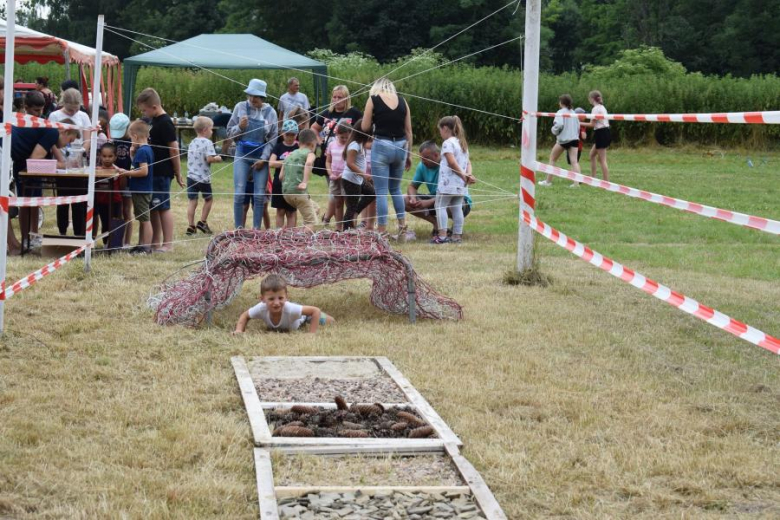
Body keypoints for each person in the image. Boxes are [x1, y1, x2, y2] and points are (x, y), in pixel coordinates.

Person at [10, 123, 79, 252]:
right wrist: (62, 165)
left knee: (29, 200)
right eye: (69, 141)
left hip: (18, 159)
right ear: (65, 131)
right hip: (10, 150)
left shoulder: (49, 136)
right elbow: (35, 159)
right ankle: (24, 240)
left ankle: (27, 239)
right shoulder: (52, 132)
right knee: (25, 201)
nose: (67, 145)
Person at [360, 77, 412, 239]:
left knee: (381, 191)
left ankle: (382, 230)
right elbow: (409, 131)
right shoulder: (403, 101)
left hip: (382, 144)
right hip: (401, 146)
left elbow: (365, 127)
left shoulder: (373, 99)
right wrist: (408, 154)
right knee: (395, 189)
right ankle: (402, 227)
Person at [227, 78, 278, 229]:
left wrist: (264, 159)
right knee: (239, 193)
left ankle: (256, 230)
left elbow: (272, 139)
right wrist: (240, 127)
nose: (252, 99)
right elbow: (230, 133)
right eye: (249, 95)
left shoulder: (270, 112)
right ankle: (238, 229)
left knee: (259, 195)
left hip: (260, 158)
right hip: (242, 155)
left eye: (255, 96)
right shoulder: (240, 107)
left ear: (262, 97)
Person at [136, 87, 182, 252]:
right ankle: (155, 242)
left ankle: (168, 243)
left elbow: (174, 149)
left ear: (154, 107)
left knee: (163, 207)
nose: (143, 113)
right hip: (153, 171)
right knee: (153, 207)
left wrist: (178, 172)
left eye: (144, 110)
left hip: (163, 172)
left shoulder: (165, 122)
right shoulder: (154, 121)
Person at [49, 88, 93, 236]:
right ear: (63, 104)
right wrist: (61, 160)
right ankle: (62, 231)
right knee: (62, 200)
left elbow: (87, 138)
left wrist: (80, 154)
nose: (73, 112)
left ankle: (79, 233)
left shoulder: (84, 116)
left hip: (79, 162)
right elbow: (51, 141)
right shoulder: (54, 116)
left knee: (80, 202)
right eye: (70, 110)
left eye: (76, 109)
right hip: (61, 162)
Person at [405, 141, 472, 237]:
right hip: (436, 198)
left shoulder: (448, 163)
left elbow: (467, 161)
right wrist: (413, 198)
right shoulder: (422, 166)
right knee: (403, 199)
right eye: (421, 158)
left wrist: (469, 174)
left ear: (436, 155)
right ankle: (436, 224)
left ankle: (456, 232)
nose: (423, 161)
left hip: (457, 199)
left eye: (425, 158)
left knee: (452, 204)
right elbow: (412, 186)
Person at [233, 274, 334, 334]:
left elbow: (315, 311)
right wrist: (239, 330)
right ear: (262, 299)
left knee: (330, 321)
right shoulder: (261, 308)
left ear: (286, 297)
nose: (276, 303)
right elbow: (245, 315)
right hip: (291, 310)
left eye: (280, 298)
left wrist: (312, 334)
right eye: (271, 299)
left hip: (304, 317)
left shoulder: (291, 309)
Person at [431, 116, 475, 244]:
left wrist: (463, 176)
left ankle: (442, 236)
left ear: (445, 128)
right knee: (456, 207)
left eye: (440, 130)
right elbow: (468, 163)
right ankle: (457, 236)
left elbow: (451, 162)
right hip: (461, 185)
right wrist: (468, 175)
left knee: (440, 206)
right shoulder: (462, 143)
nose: (440, 133)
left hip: (447, 183)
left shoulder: (447, 143)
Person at [114, 119, 154, 255]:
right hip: (142, 189)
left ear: (135, 136)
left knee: (145, 220)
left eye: (131, 138)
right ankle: (141, 244)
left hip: (142, 189)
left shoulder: (143, 151)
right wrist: (132, 155)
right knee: (142, 218)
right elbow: (138, 166)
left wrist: (125, 172)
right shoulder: (146, 149)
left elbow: (143, 171)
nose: (131, 140)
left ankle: (146, 247)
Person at [186, 117, 223, 236]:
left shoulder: (192, 142)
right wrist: (218, 158)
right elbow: (209, 158)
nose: (212, 132)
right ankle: (202, 222)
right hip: (203, 178)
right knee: (208, 199)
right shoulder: (207, 142)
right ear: (205, 130)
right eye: (211, 129)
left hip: (191, 177)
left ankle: (191, 226)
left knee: (192, 201)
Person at [538, 94, 581, 187]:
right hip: (574, 139)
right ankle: (576, 183)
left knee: (552, 159)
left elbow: (559, 125)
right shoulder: (574, 112)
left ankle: (548, 181)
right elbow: (578, 126)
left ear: (562, 103)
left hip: (563, 140)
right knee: (574, 161)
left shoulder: (560, 112)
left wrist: (553, 131)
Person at [280, 129, 318, 231]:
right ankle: (303, 242)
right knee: (312, 222)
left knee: (315, 208)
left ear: (299, 142)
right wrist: (304, 182)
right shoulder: (310, 153)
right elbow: (309, 163)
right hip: (299, 193)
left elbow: (280, 176)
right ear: (312, 144)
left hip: (286, 194)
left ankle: (286, 232)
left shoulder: (289, 155)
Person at [341, 118, 375, 230]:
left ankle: (356, 212)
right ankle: (346, 231)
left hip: (357, 179)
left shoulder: (361, 144)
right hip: (351, 181)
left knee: (371, 192)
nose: (371, 136)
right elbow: (350, 163)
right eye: (370, 134)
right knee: (351, 207)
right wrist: (364, 175)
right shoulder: (354, 145)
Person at [269, 119, 300, 229]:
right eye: (288, 134)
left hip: (293, 183)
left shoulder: (298, 148)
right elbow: (271, 163)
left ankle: (290, 235)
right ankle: (278, 233)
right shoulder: (278, 147)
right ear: (283, 134)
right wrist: (287, 162)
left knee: (291, 211)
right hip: (279, 182)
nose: (290, 137)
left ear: (296, 134)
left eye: (293, 134)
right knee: (280, 210)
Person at [109, 113, 134, 247]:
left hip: (128, 181)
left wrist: (126, 176)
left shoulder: (133, 142)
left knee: (126, 211)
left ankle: (127, 241)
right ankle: (116, 240)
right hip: (115, 181)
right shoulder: (114, 141)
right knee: (116, 210)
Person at [93, 142, 122, 244]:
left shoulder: (118, 170)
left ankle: (115, 244)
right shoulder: (96, 170)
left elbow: (122, 185)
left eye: (110, 156)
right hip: (102, 202)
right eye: (104, 156)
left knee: (115, 222)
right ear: (100, 156)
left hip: (115, 201)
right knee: (105, 223)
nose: (107, 159)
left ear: (115, 157)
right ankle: (106, 244)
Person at [323, 123, 350, 230]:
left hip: (347, 178)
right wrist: (330, 173)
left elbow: (352, 163)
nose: (344, 139)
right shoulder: (331, 145)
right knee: (338, 203)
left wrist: (344, 174)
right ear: (337, 134)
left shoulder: (350, 146)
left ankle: (349, 226)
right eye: (342, 137)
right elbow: (328, 161)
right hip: (334, 178)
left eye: (347, 137)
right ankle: (339, 227)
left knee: (349, 203)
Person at [580, 90, 611, 181]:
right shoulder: (602, 107)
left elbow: (592, 125)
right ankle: (593, 177)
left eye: (589, 99)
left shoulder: (595, 109)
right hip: (603, 132)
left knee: (602, 160)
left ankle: (606, 181)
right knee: (592, 155)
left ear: (592, 99)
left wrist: (578, 123)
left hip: (601, 133)